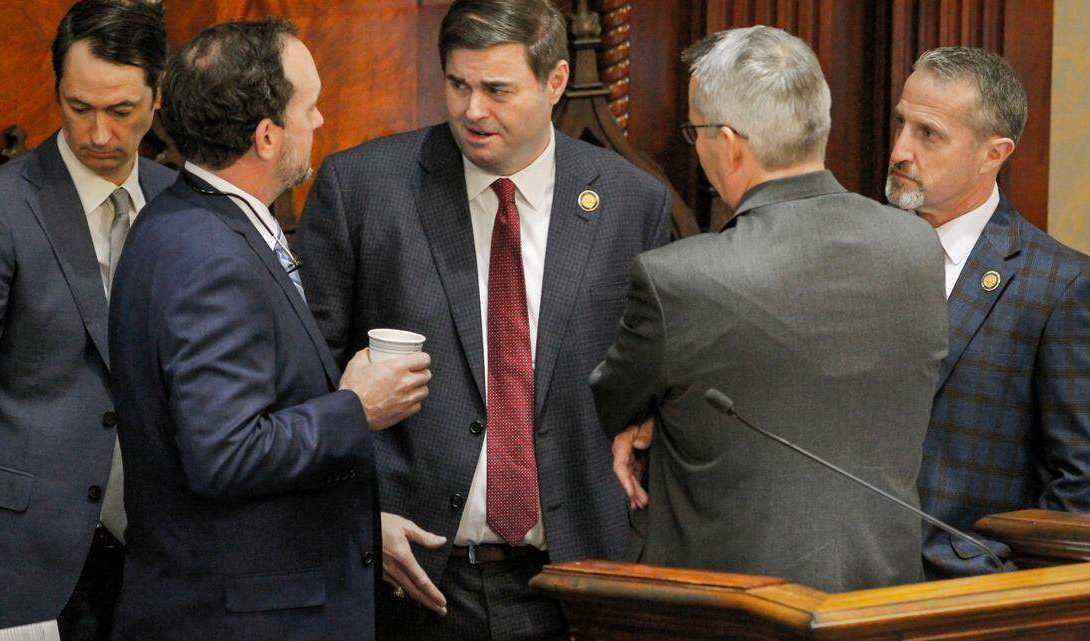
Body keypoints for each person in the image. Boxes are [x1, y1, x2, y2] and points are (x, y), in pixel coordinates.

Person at [296, 0, 670, 637]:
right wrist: (356, 516)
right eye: (458, 85)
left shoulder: (630, 202)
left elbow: (658, 372)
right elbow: (306, 378)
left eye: (497, 90)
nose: (472, 110)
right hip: (412, 580)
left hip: (578, 578)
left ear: (554, 82)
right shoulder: (363, 187)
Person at [589, 25, 948, 593]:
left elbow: (613, 401)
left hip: (732, 607)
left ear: (728, 143)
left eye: (696, 133)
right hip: (882, 598)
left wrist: (655, 420)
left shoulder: (677, 279)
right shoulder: (919, 248)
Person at [107, 19, 431, 641]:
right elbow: (225, 454)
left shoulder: (184, 218)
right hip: (240, 616)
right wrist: (354, 410)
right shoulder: (209, 254)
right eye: (308, 107)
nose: (319, 121)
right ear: (265, 136)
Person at [0, 1, 173, 639]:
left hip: (157, 568)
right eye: (78, 108)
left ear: (158, 98)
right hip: (19, 564)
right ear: (56, 92)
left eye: (121, 111)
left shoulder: (181, 205)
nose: (98, 134)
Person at [887, 47, 1090, 579]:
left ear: (992, 153)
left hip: (964, 593)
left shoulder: (1059, 285)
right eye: (901, 124)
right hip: (830, 583)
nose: (900, 151)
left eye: (928, 134)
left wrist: (1007, 593)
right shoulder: (849, 251)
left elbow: (1079, 479)